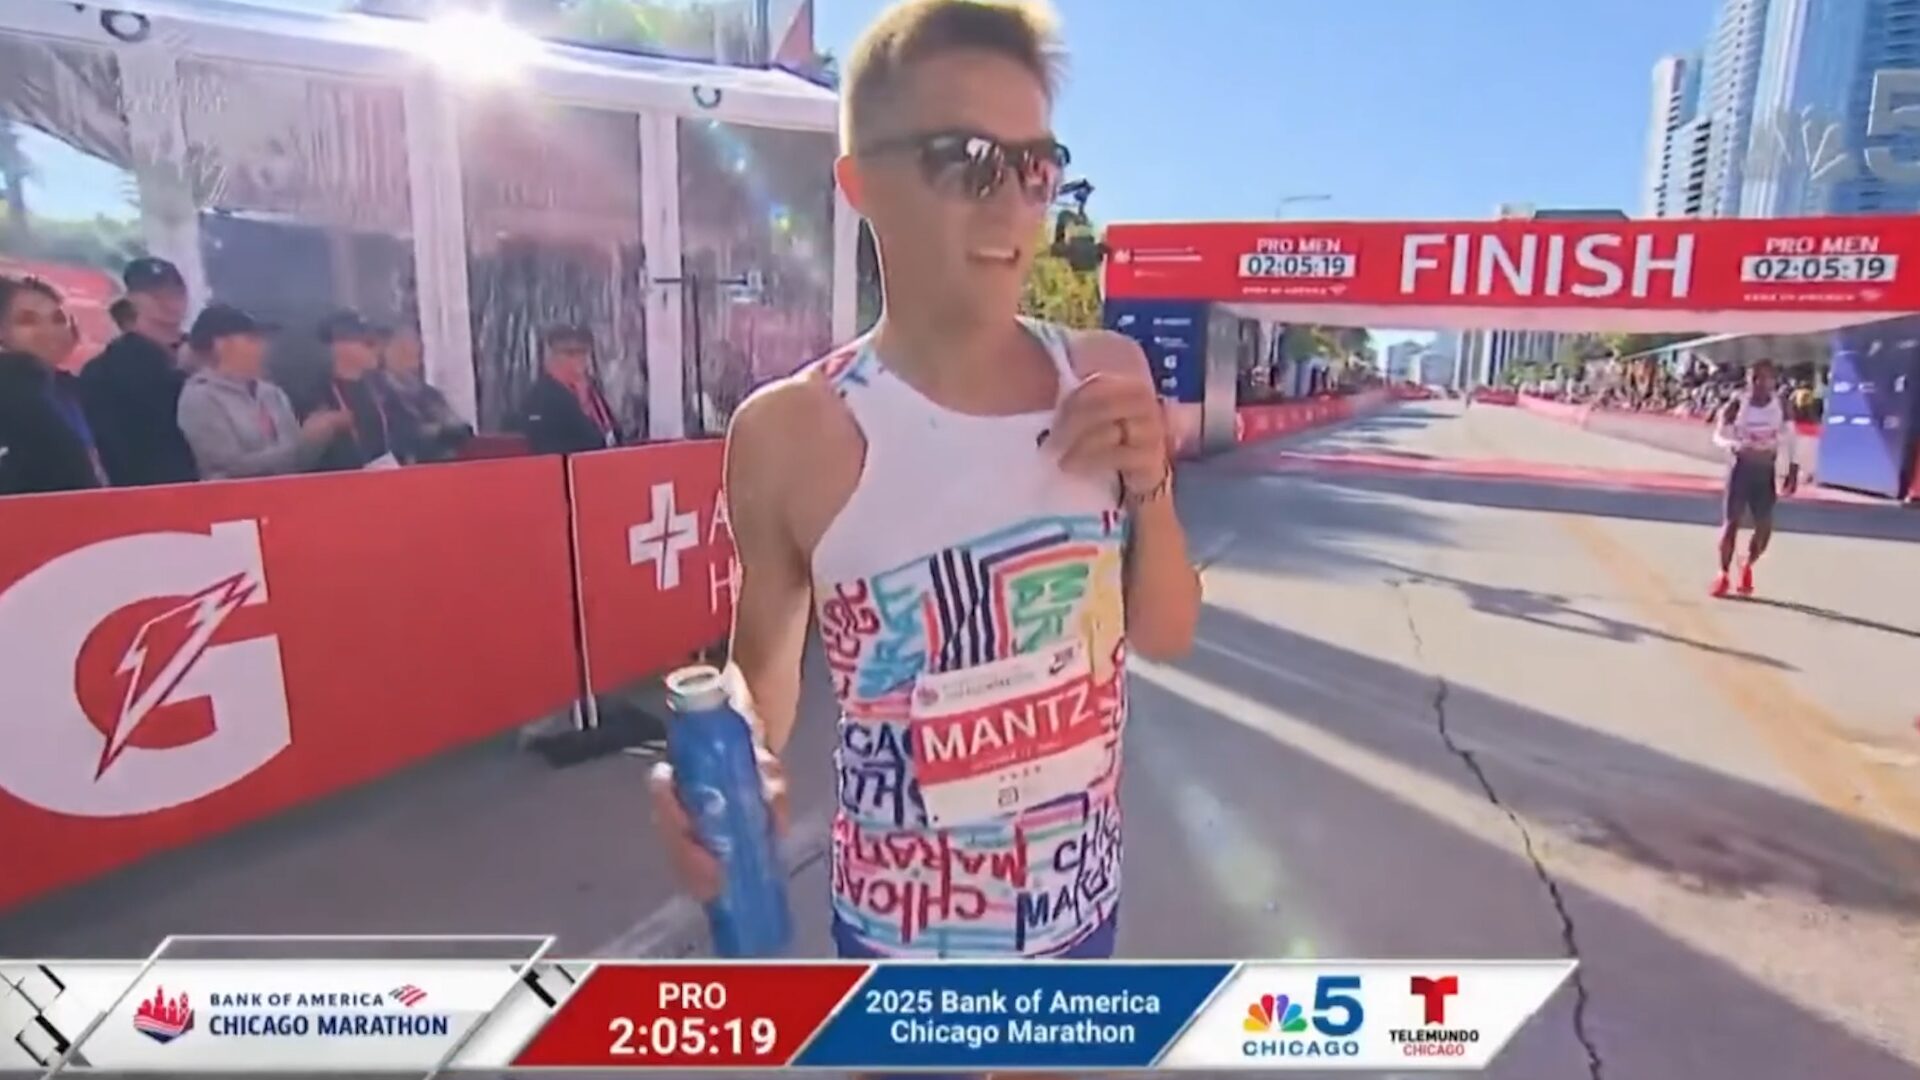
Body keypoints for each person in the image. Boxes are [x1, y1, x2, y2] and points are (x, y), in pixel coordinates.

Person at [648, 0, 1200, 979]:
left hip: (1081, 921)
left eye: (1037, 167)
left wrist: (1151, 484)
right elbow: (761, 683)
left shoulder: (1105, 374)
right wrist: (717, 774)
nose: (1014, 209)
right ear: (862, 186)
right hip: (901, 947)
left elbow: (1162, 633)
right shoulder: (795, 432)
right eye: (967, 161)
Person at [176, 303, 350, 480]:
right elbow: (229, 467)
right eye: (252, 339)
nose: (263, 347)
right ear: (221, 344)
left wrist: (317, 438)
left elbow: (297, 463)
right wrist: (304, 442)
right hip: (236, 504)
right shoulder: (200, 398)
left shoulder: (272, 393)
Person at [79, 256, 199, 486]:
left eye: (175, 291)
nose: (168, 300)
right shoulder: (105, 370)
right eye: (155, 293)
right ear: (132, 298)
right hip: (152, 494)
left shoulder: (206, 353)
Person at [0, 277, 104, 496]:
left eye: (58, 319)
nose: (49, 330)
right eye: (27, 321)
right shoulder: (12, 396)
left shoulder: (71, 390)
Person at [1711, 358, 1798, 598]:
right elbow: (1717, 435)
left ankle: (1747, 565)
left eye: (1766, 378)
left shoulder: (1782, 405)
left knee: (1764, 526)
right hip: (1740, 468)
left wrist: (1793, 467)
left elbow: (1791, 438)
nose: (1761, 383)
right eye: (1755, 378)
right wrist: (1733, 444)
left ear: (1773, 381)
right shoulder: (1737, 403)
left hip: (1765, 470)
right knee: (1731, 523)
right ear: (1749, 380)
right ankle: (1723, 574)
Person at [304, 309, 415, 471]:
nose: (377, 349)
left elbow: (407, 437)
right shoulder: (316, 395)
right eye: (368, 343)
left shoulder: (384, 389)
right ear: (338, 346)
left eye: (378, 342)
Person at [517, 324, 621, 455]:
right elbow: (547, 445)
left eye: (583, 352)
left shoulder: (593, 391)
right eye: (570, 353)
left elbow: (612, 430)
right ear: (552, 357)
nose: (579, 359)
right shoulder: (542, 397)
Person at [378, 323, 472, 463]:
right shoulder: (377, 392)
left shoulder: (430, 395)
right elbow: (399, 435)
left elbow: (457, 427)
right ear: (384, 351)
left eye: (415, 344)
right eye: (402, 347)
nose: (412, 350)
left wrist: (450, 431)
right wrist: (438, 432)